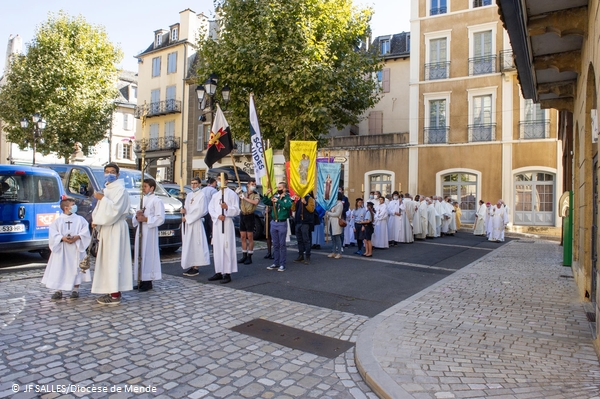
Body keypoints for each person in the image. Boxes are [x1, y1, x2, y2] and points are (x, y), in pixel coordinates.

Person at [91, 163, 132, 305]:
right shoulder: (107, 189)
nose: (109, 174)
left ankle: (115, 294)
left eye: (112, 172)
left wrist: (102, 199)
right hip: (107, 228)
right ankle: (110, 290)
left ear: (118, 174)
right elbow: (100, 208)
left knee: (114, 260)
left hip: (115, 227)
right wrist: (95, 220)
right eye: (107, 171)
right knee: (107, 260)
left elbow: (115, 210)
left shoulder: (120, 190)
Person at [42, 198, 91, 300]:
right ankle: (58, 290)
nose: (74, 206)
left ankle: (75, 290)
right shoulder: (58, 221)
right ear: (65, 208)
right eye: (72, 205)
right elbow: (53, 234)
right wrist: (62, 238)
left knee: (76, 267)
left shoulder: (80, 219)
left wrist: (77, 237)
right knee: (60, 268)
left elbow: (85, 231)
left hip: (76, 248)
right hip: (62, 249)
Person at [132, 179, 165, 292]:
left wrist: (146, 219)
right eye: (142, 186)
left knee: (148, 254)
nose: (143, 188)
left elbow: (160, 218)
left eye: (145, 186)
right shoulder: (142, 200)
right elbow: (135, 216)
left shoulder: (157, 201)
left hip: (149, 231)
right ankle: (140, 279)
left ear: (152, 188)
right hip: (141, 230)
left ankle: (148, 281)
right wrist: (137, 216)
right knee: (139, 253)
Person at [208, 174, 240, 284]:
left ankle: (227, 272)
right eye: (218, 179)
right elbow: (210, 208)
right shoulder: (216, 195)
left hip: (226, 223)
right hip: (217, 223)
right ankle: (218, 271)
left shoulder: (232, 194)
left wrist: (227, 209)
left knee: (227, 247)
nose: (219, 181)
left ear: (226, 181)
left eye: (221, 179)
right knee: (217, 248)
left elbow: (237, 210)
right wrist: (217, 215)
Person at [181, 178, 211, 277]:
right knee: (189, 244)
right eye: (192, 183)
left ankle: (196, 266)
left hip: (196, 222)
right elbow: (187, 208)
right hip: (189, 223)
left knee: (196, 244)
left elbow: (201, 211)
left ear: (199, 184)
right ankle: (191, 264)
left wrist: (187, 218)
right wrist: (184, 211)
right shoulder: (189, 195)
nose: (193, 185)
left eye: (195, 183)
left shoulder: (202, 195)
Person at [263, 182, 293, 272]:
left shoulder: (288, 198)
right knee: (275, 244)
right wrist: (266, 194)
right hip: (274, 222)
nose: (278, 189)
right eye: (277, 187)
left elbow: (288, 206)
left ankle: (282, 264)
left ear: (284, 189)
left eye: (280, 187)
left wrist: (279, 201)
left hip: (282, 223)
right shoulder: (275, 196)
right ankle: (275, 263)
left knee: (282, 244)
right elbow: (266, 202)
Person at [238, 179, 261, 265]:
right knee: (243, 237)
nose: (253, 185)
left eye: (254, 184)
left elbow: (255, 202)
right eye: (252, 184)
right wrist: (237, 193)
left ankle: (249, 255)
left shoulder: (256, 194)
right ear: (248, 185)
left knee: (250, 237)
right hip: (242, 214)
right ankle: (244, 255)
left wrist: (245, 198)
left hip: (250, 215)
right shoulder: (243, 193)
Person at [293, 191, 315, 264]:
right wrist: (293, 202)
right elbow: (293, 209)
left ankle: (307, 256)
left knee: (306, 240)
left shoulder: (309, 199)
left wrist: (305, 203)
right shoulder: (298, 200)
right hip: (298, 222)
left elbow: (311, 209)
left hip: (305, 222)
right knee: (299, 240)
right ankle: (300, 255)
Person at [326, 192, 344, 259]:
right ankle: (333, 252)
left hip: (336, 222)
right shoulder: (334, 203)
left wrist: (329, 213)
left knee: (337, 237)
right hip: (331, 222)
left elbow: (337, 213)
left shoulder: (340, 204)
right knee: (333, 238)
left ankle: (339, 252)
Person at [202, 177, 218, 243]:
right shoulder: (213, 190)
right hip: (211, 211)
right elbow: (216, 201)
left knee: (205, 228)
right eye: (216, 183)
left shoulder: (203, 189)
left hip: (204, 211)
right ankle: (213, 241)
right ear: (213, 183)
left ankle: (205, 240)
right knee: (212, 227)